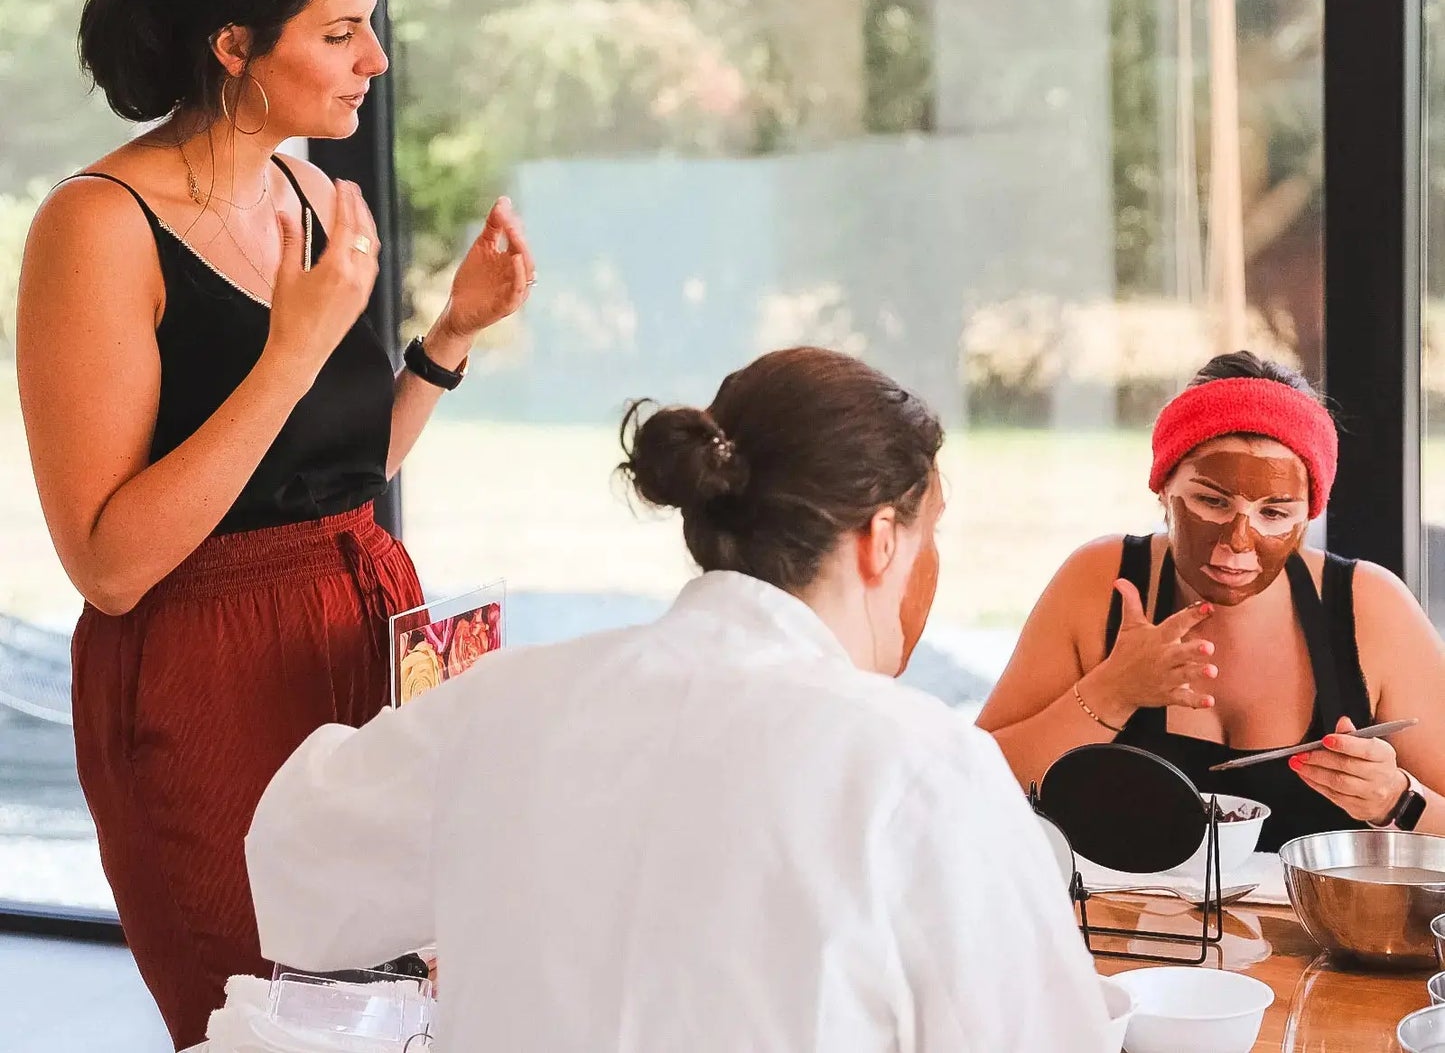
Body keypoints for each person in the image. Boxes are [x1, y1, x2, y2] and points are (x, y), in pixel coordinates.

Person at [15, 0, 534, 1050]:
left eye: (371, 27)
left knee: (409, 1010)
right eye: (340, 31)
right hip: (203, 675)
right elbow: (110, 563)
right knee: (257, 1018)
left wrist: (446, 338)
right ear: (235, 44)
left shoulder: (307, 189)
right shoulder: (94, 225)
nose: (375, 61)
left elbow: (336, 472)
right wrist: (289, 352)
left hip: (364, 628)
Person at [245, 348, 1111, 1052]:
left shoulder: (504, 702)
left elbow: (291, 869)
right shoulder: (922, 767)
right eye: (931, 533)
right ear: (882, 539)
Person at [978, 351, 1445, 851]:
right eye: (1212, 501)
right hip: (1112, 927)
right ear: (1163, 486)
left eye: (1274, 512)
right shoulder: (1103, 581)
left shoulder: (1370, 608)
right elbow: (970, 786)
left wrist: (1397, 800)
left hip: (1314, 931)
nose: (1239, 541)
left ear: (1309, 513)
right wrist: (1109, 695)